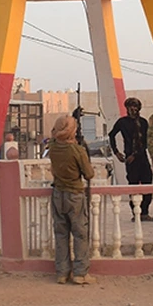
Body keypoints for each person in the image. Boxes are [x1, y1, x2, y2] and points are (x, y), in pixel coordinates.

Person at [47, 115, 96, 285]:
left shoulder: (52, 148)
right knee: (80, 234)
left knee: (61, 233)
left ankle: (62, 272)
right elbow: (89, 174)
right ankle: (80, 273)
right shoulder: (77, 151)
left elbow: (53, 139)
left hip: (58, 194)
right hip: (74, 194)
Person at [109, 97, 153, 220]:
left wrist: (136, 154)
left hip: (142, 157)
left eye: (135, 107)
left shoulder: (143, 122)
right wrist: (117, 152)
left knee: (148, 185)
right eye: (130, 107)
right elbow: (111, 135)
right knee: (133, 186)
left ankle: (145, 212)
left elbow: (145, 142)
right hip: (130, 159)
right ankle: (135, 213)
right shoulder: (122, 122)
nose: (133, 109)